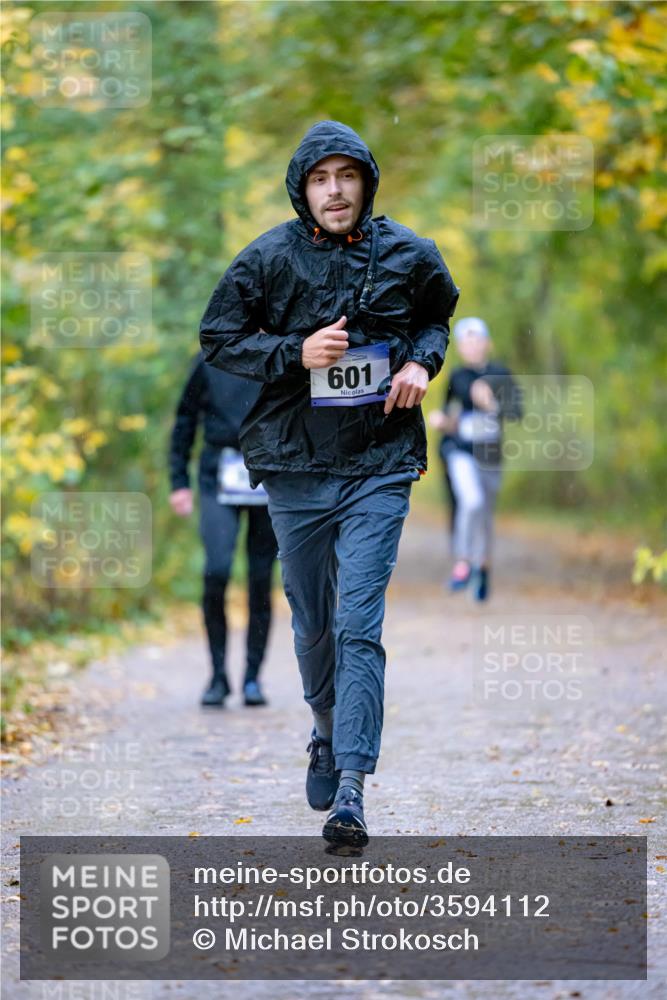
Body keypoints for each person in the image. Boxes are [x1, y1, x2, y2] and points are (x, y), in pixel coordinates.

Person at [199, 120, 459, 846]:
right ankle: (323, 731)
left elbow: (437, 314)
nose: (335, 190)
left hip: (380, 462)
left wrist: (420, 364)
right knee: (314, 624)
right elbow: (218, 337)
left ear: (366, 182)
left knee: (357, 625)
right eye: (321, 178)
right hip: (294, 465)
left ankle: (351, 788)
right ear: (302, 188)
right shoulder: (267, 259)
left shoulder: (410, 252)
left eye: (347, 176)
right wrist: (295, 350)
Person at [168, 352, 278, 708]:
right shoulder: (210, 360)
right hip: (219, 473)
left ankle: (252, 679)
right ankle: (217, 675)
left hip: (269, 475)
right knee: (217, 570)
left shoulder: (280, 355)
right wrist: (179, 481)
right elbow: (185, 417)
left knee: (261, 579)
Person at [429, 317, 522, 601]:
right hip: (460, 451)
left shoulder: (501, 374)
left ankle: (483, 567)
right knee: (471, 501)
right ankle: (463, 563)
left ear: (487, 343)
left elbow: (517, 412)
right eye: (465, 342)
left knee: (484, 513)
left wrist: (490, 404)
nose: (471, 346)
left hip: (490, 454)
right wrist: (442, 421)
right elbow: (449, 414)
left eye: (476, 340)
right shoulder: (456, 376)